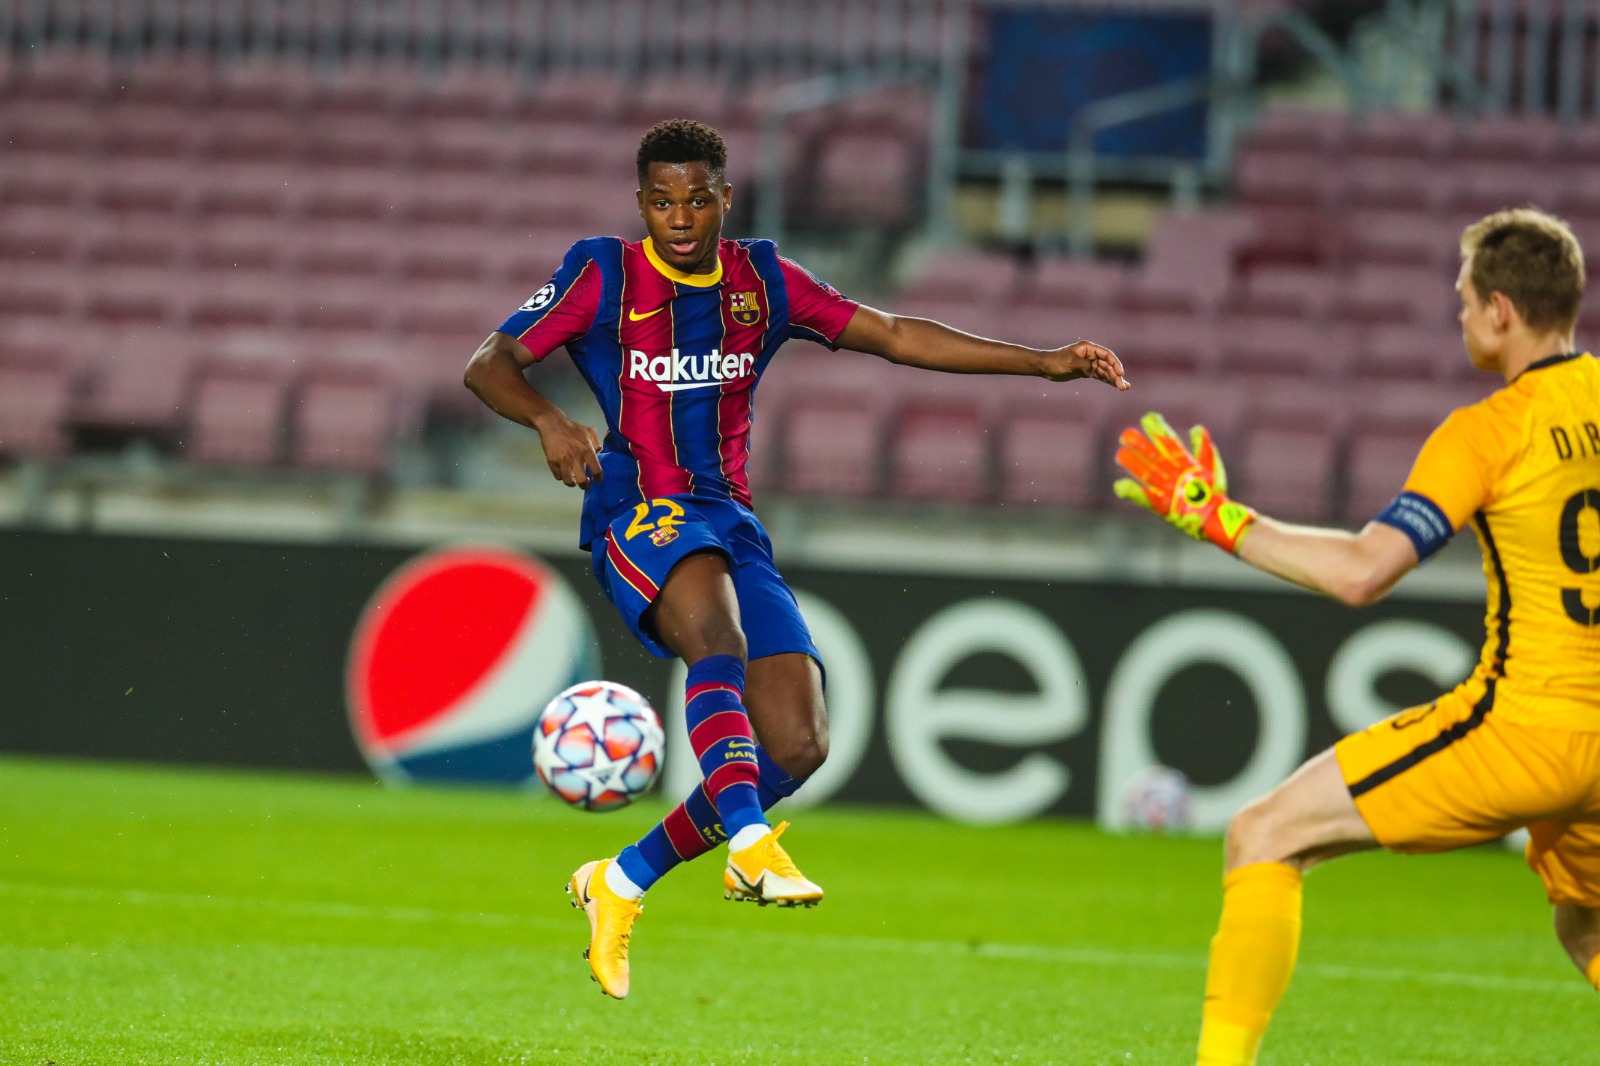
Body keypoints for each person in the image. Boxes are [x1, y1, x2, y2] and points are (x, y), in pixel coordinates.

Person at [463, 118, 1127, 999]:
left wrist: (1041, 364)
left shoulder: (763, 281)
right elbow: (489, 363)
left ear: (726, 198)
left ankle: (619, 880)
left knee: (798, 742)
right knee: (717, 637)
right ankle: (749, 844)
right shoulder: (603, 273)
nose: (680, 218)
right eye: (662, 202)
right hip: (636, 505)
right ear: (641, 205)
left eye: (698, 199)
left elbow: (894, 333)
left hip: (729, 517)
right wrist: (550, 420)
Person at [1111, 206, 1600, 1065]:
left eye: (1464, 300)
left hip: (1526, 728)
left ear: (1500, 311)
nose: (1458, 316)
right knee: (1587, 923)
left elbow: (1362, 572)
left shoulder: (1488, 430)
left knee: (1264, 834)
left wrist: (1221, 519)